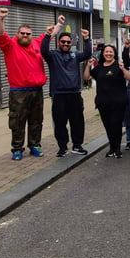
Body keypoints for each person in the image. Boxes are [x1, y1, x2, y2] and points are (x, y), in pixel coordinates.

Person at [0, 8, 48, 161]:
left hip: (37, 91)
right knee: (17, 121)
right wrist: (1, 18)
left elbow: (50, 34)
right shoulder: (10, 45)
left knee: (36, 120)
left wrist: (58, 24)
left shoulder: (37, 43)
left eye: (28, 33)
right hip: (18, 91)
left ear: (32, 36)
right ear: (17, 34)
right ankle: (17, 149)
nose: (25, 35)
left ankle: (35, 145)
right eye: (22, 33)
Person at [41, 16, 92, 157]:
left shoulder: (75, 54)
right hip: (59, 95)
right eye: (63, 42)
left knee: (77, 122)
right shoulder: (52, 56)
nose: (66, 44)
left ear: (71, 44)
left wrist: (87, 38)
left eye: (68, 42)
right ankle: (62, 147)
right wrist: (47, 35)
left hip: (75, 94)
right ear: (58, 42)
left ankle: (77, 145)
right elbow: (43, 51)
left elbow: (88, 53)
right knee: (60, 123)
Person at [83, 45, 130, 158]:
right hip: (103, 102)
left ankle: (117, 148)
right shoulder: (99, 68)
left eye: (110, 52)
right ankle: (112, 147)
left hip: (118, 102)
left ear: (114, 53)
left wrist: (123, 69)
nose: (108, 54)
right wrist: (88, 66)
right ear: (103, 54)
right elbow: (86, 78)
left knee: (116, 125)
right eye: (106, 52)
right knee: (108, 126)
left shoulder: (119, 65)